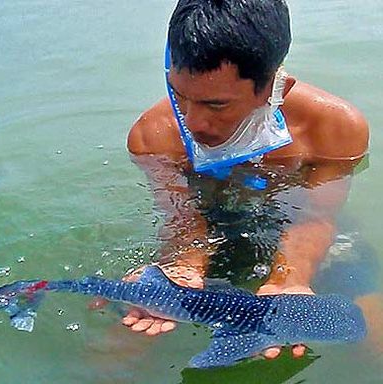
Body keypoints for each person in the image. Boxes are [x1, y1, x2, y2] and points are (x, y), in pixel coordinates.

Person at [124, 0, 372, 360]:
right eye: (179, 95)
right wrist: (183, 266)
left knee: (374, 334)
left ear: (274, 84)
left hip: (306, 234)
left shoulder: (335, 128)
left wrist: (290, 277)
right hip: (217, 233)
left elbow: (317, 217)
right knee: (119, 346)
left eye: (217, 105)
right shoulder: (153, 136)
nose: (191, 123)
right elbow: (185, 220)